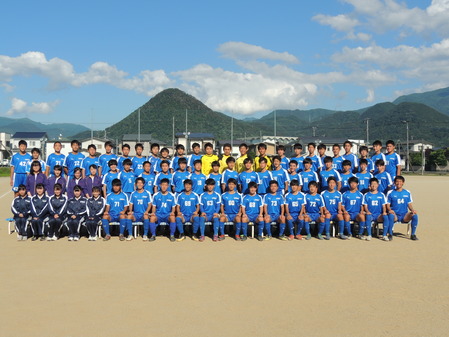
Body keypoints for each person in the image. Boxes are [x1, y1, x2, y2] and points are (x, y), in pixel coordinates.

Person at [386, 176, 419, 241]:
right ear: (394, 183)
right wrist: (389, 210)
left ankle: (413, 234)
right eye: (397, 181)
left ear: (403, 183)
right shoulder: (390, 192)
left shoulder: (407, 192)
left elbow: (409, 204)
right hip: (395, 214)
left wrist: (412, 210)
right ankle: (390, 234)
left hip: (404, 215)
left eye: (400, 181)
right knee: (390, 215)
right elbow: (387, 205)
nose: (399, 183)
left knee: (415, 215)